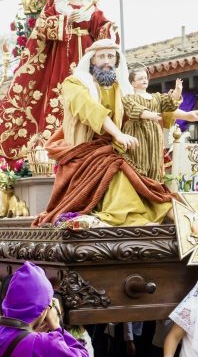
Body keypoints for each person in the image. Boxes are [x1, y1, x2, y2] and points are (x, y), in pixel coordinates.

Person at [0, 0, 119, 210]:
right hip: (62, 63)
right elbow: (41, 30)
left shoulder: (92, 7)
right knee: (59, 105)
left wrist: (107, 27)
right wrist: (65, 22)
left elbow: (103, 28)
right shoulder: (57, 6)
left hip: (88, 60)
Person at [34, 39, 176, 227]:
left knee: (141, 177)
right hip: (83, 150)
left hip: (113, 147)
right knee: (115, 168)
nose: (107, 61)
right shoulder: (74, 84)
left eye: (111, 56)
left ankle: (172, 215)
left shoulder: (120, 88)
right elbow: (90, 109)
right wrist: (118, 134)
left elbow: (142, 109)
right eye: (101, 56)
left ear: (117, 60)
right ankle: (129, 218)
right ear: (92, 60)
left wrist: (182, 114)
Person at [124, 68, 198, 180]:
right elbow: (134, 109)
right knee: (140, 161)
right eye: (140, 78)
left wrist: (178, 90)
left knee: (155, 163)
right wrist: (151, 115)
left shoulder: (156, 97)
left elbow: (170, 103)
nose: (144, 80)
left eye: (145, 78)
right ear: (133, 83)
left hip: (154, 133)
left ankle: (154, 185)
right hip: (137, 132)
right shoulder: (128, 97)